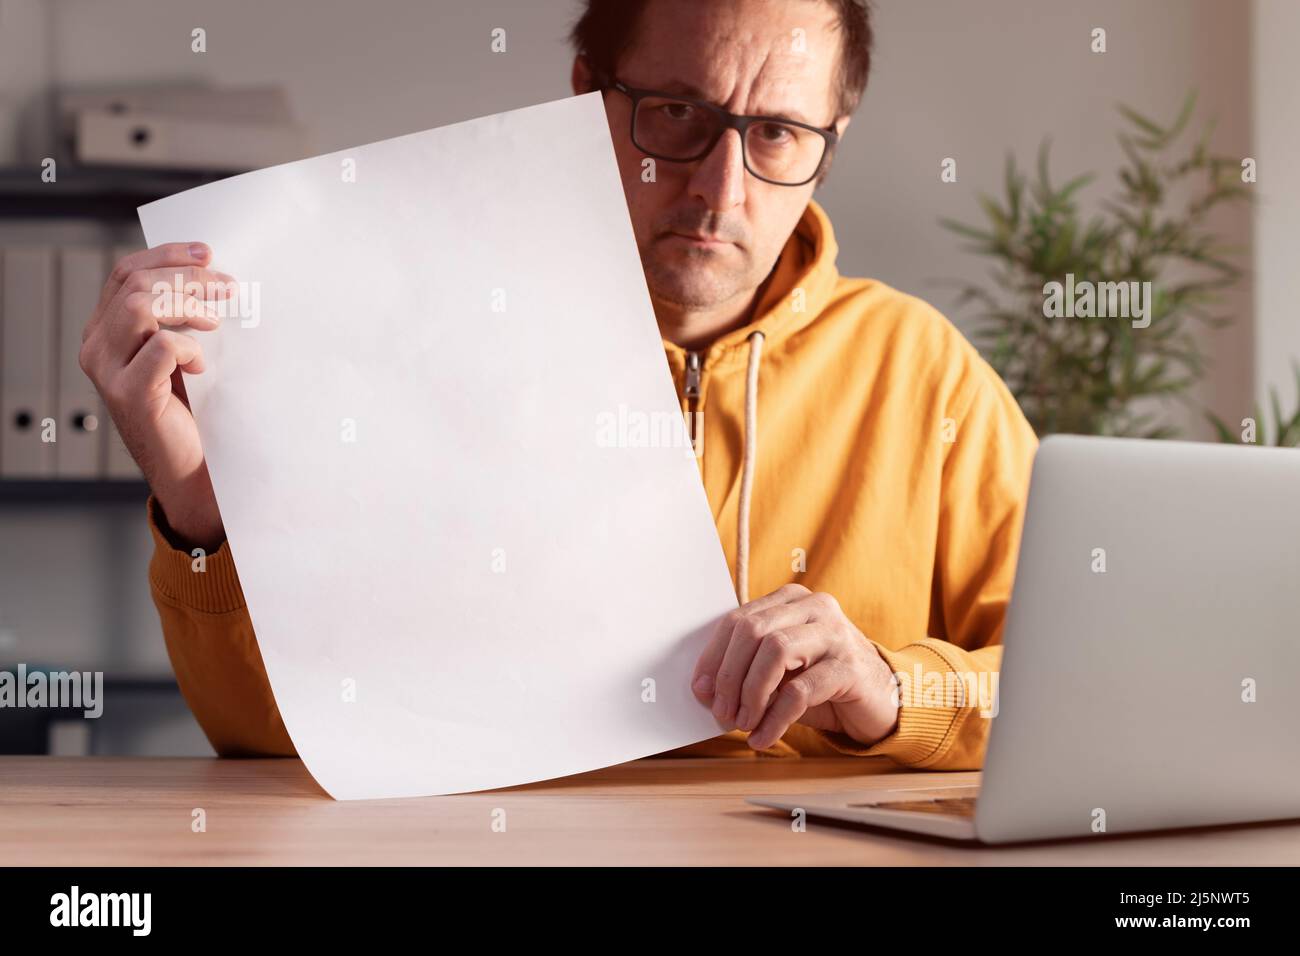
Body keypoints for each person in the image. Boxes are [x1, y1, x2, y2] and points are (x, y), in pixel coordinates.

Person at [79, 0, 1037, 769]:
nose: (720, 190)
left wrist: (895, 692)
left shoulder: (928, 375)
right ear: (588, 97)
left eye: (779, 133)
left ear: (831, 141)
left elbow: (1084, 691)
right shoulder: (401, 349)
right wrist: (208, 518)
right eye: (676, 115)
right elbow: (267, 743)